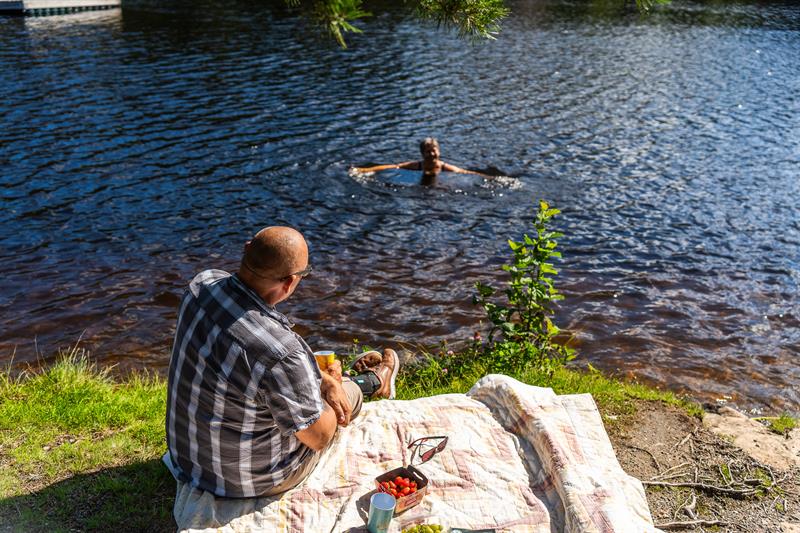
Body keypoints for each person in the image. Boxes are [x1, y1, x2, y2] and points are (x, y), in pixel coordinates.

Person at [164, 226, 399, 504]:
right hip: (245, 481)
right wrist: (332, 386)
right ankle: (371, 382)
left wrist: (323, 379)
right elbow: (320, 437)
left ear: (247, 248)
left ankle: (337, 378)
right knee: (346, 396)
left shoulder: (201, 285)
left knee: (313, 383)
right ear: (289, 282)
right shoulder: (283, 353)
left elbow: (262, 353)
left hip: (188, 459)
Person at [352, 137, 493, 186]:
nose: (432, 153)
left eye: (434, 150)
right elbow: (395, 167)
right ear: (422, 154)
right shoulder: (417, 165)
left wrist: (491, 178)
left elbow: (465, 172)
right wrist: (365, 170)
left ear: (439, 151)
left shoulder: (444, 167)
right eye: (428, 151)